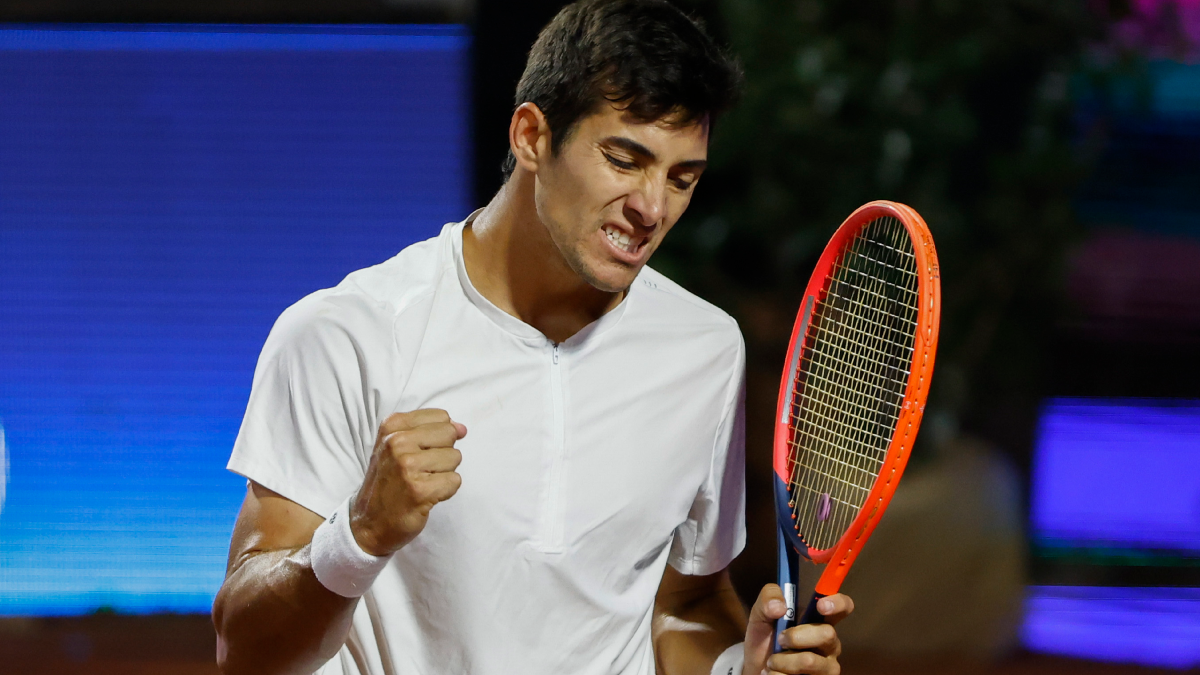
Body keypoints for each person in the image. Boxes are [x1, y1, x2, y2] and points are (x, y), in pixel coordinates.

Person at [212, 1, 854, 674]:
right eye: (623, 158)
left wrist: (737, 665)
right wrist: (360, 535)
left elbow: (684, 598)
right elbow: (244, 651)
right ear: (530, 136)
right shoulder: (345, 334)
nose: (652, 207)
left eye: (681, 177)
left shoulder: (705, 350)